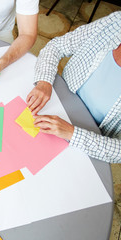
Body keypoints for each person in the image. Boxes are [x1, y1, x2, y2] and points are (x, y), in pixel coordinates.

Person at [27, 11, 121, 163]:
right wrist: (44, 82)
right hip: (53, 103)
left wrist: (72, 133)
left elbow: (119, 152)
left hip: (86, 140)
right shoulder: (116, 21)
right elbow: (57, 46)